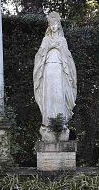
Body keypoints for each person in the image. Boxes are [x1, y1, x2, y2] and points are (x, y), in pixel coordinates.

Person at [33, 11, 77, 141]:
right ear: (49, 26)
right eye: (51, 24)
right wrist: (49, 47)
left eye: (56, 24)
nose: (53, 26)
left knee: (59, 96)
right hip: (48, 70)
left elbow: (67, 57)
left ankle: (61, 124)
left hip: (59, 70)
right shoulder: (45, 39)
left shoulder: (63, 40)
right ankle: (47, 125)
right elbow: (40, 55)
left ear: (59, 25)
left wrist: (58, 48)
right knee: (49, 96)